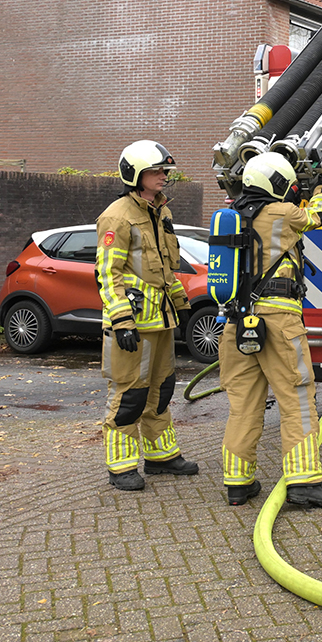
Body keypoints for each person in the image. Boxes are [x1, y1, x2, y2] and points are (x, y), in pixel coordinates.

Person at [218, 152, 322, 508]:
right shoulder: (283, 214)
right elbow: (317, 216)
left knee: (243, 405)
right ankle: (303, 483)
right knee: (297, 398)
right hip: (278, 321)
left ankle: (238, 483)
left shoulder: (232, 218)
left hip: (237, 323)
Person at [95, 140, 199, 491]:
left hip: (162, 320)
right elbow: (109, 274)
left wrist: (182, 305)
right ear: (136, 174)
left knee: (162, 390)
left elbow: (167, 268)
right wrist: (122, 320)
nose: (163, 177)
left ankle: (161, 456)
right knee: (130, 395)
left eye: (164, 171)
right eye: (156, 171)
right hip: (133, 325)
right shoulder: (117, 217)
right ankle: (121, 466)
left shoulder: (162, 212)